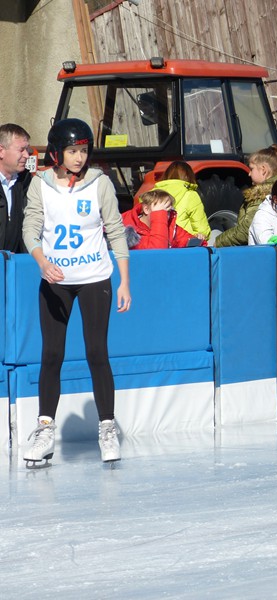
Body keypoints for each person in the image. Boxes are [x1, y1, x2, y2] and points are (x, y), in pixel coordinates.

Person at [21, 118, 132, 466]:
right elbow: (30, 227)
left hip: (95, 278)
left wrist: (124, 281)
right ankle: (45, 431)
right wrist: (42, 262)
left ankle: (107, 429)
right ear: (57, 152)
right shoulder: (40, 184)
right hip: (55, 281)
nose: (79, 157)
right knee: (52, 354)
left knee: (97, 352)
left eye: (83, 150)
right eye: (72, 151)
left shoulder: (100, 183)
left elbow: (116, 231)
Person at [214, 145, 277, 247]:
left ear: (263, 170)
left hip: (265, 250)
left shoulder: (262, 196)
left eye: (252, 169)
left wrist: (219, 242)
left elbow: (247, 229)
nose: (249, 174)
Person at [122, 189, 206, 249]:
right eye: (161, 211)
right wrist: (159, 216)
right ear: (146, 209)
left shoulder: (171, 227)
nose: (165, 216)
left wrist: (197, 241)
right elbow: (157, 253)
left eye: (168, 211)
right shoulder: (127, 230)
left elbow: (188, 242)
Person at [152, 161, 211, 240]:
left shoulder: (151, 195)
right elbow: (203, 231)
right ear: (188, 176)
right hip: (183, 244)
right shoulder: (190, 195)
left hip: (156, 242)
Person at [0, 123, 33, 253]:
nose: (27, 155)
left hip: (17, 261)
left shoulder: (26, 182)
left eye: (27, 150)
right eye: (21, 150)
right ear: (1, 151)